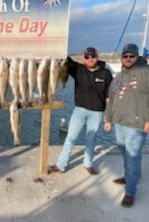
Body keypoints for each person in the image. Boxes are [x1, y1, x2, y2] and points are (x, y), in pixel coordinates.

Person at [104, 43, 149, 207]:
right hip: (119, 123)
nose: (128, 59)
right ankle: (130, 176)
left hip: (137, 125)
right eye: (125, 56)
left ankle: (130, 191)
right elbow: (111, 99)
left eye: (131, 56)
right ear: (121, 58)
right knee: (124, 152)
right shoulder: (119, 77)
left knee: (132, 155)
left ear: (137, 56)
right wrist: (108, 119)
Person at [48, 47, 113, 175]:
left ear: (97, 57)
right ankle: (61, 165)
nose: (90, 59)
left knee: (91, 139)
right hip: (80, 110)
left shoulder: (106, 73)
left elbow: (109, 97)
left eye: (93, 56)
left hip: (97, 112)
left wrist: (108, 116)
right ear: (84, 58)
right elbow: (63, 58)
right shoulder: (78, 69)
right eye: (87, 57)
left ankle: (88, 164)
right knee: (70, 137)